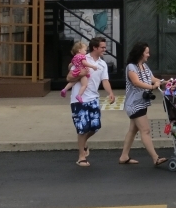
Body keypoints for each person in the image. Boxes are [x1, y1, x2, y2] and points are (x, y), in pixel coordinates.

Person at [67, 37, 116, 167]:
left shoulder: (102, 64)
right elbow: (69, 77)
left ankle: (83, 143)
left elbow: (105, 80)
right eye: (103, 47)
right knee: (82, 129)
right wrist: (80, 73)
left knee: (95, 127)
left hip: (94, 98)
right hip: (79, 99)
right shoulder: (82, 59)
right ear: (95, 48)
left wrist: (110, 93)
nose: (105, 50)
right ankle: (81, 157)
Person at [120, 42, 168, 167]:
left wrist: (166, 82)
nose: (149, 55)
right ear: (141, 53)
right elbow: (136, 83)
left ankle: (124, 156)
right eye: (147, 52)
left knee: (133, 129)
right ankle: (155, 158)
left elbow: (153, 79)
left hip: (142, 103)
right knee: (145, 130)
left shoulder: (144, 66)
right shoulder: (131, 67)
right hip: (134, 104)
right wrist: (152, 87)